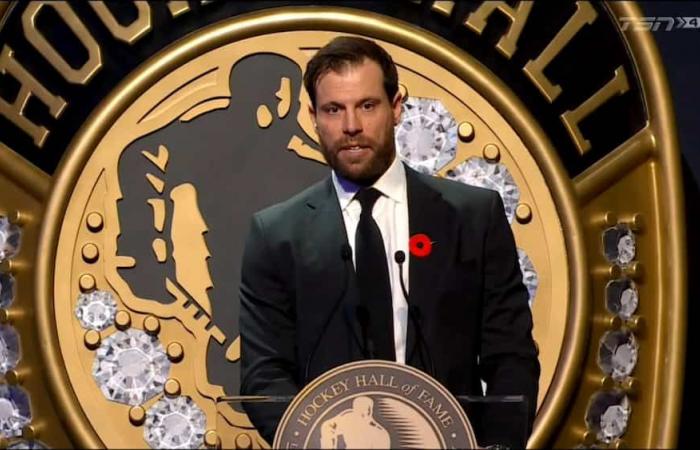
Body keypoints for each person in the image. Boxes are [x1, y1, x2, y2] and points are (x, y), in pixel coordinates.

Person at [239, 36, 540, 446]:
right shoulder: (276, 236)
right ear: (312, 116)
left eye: (367, 105)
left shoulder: (473, 217)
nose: (351, 126)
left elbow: (511, 358)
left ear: (396, 107)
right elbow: (265, 375)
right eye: (333, 109)